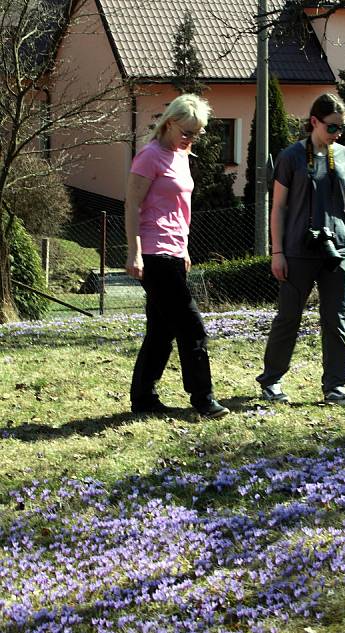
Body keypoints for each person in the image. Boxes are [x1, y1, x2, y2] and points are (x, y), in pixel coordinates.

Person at [256, 93, 345, 406]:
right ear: (314, 122)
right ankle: (271, 380)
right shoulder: (290, 157)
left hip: (337, 250)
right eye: (332, 127)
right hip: (297, 251)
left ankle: (335, 387)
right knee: (288, 317)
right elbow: (278, 207)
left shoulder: (344, 155)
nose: (337, 134)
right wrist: (277, 252)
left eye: (342, 128)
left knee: (337, 318)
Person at [125, 94, 229, 418]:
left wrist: (184, 249)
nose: (191, 138)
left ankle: (143, 398)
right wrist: (135, 252)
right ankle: (203, 399)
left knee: (161, 330)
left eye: (196, 133)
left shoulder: (181, 155)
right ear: (169, 123)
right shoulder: (149, 156)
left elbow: (180, 210)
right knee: (191, 326)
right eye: (186, 132)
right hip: (154, 254)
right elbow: (131, 205)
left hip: (174, 251)